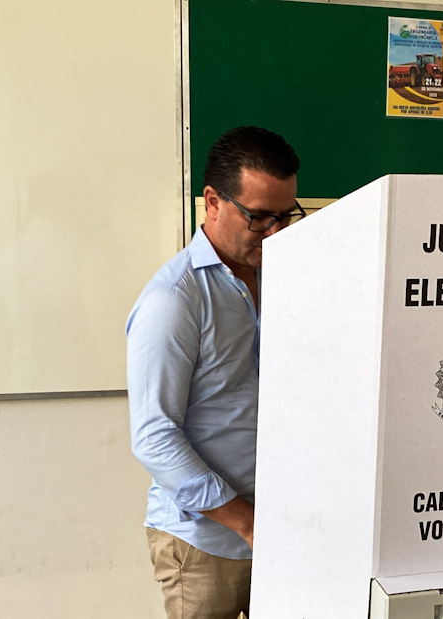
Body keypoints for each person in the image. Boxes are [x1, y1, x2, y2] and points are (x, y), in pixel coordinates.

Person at [126, 126, 302, 619]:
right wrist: (246, 522)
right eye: (260, 218)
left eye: (286, 216)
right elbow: (154, 435)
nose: (276, 233)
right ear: (213, 202)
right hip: (205, 541)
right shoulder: (174, 300)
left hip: (285, 526)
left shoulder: (287, 276)